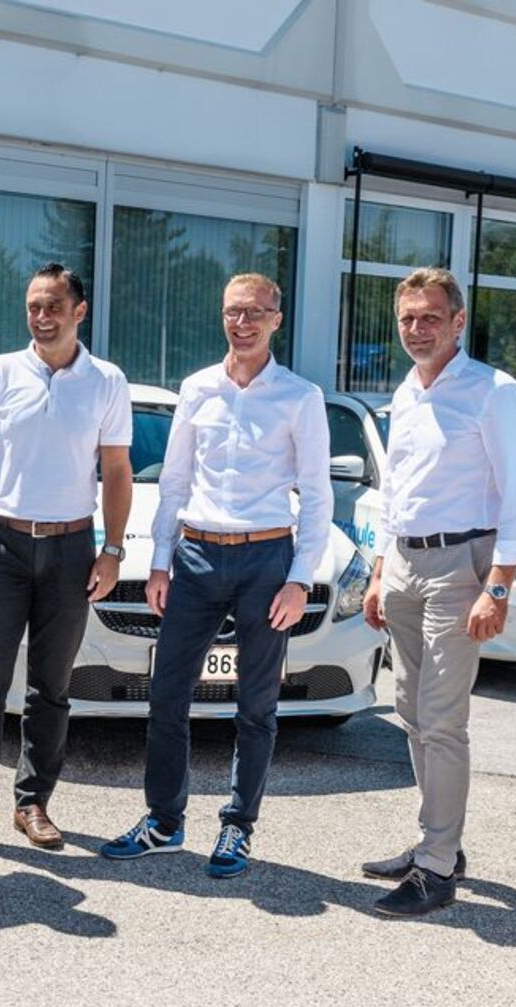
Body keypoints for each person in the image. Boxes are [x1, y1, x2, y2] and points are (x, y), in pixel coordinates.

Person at [98, 272, 329, 879]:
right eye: (233, 312)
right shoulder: (197, 388)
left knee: (256, 705)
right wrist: (160, 561)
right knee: (167, 695)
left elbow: (318, 494)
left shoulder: (300, 397)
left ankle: (238, 826)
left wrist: (300, 579)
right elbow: (174, 480)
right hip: (196, 558)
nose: (242, 323)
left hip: (266, 560)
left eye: (255, 312)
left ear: (277, 319)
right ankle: (163, 822)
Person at [358, 268, 516, 917]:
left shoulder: (494, 391)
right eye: (408, 318)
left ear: (459, 322)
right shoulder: (406, 391)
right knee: (409, 709)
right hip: (405, 563)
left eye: (431, 317)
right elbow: (395, 490)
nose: (417, 329)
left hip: (462, 565)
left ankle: (435, 868)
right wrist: (380, 571)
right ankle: (440, 841)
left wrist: (500, 587)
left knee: (442, 717)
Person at [0, 263, 133, 863]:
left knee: (51, 688)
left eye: (53, 306)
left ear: (80, 311)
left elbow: (117, 471)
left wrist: (112, 549)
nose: (42, 317)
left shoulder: (106, 381)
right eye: (33, 307)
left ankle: (33, 803)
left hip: (71, 549)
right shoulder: (2, 372)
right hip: (0, 545)